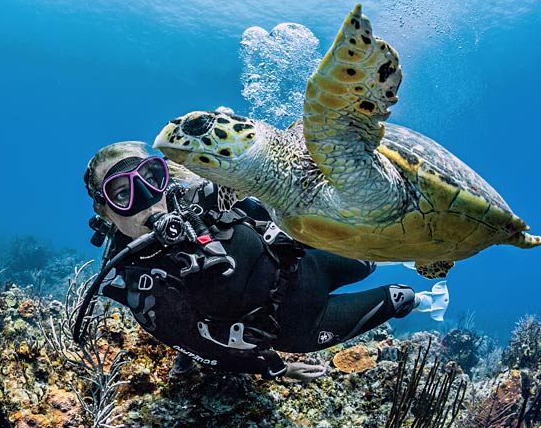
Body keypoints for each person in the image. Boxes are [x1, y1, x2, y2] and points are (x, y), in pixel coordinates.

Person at [82, 141, 448, 382]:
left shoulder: (195, 194)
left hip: (305, 264)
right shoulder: (136, 279)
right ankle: (428, 302)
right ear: (104, 210)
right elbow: (195, 343)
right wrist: (274, 366)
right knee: (399, 297)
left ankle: (424, 258)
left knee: (370, 257)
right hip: (295, 325)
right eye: (122, 193)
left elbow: (262, 191)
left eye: (151, 178)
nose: (148, 198)